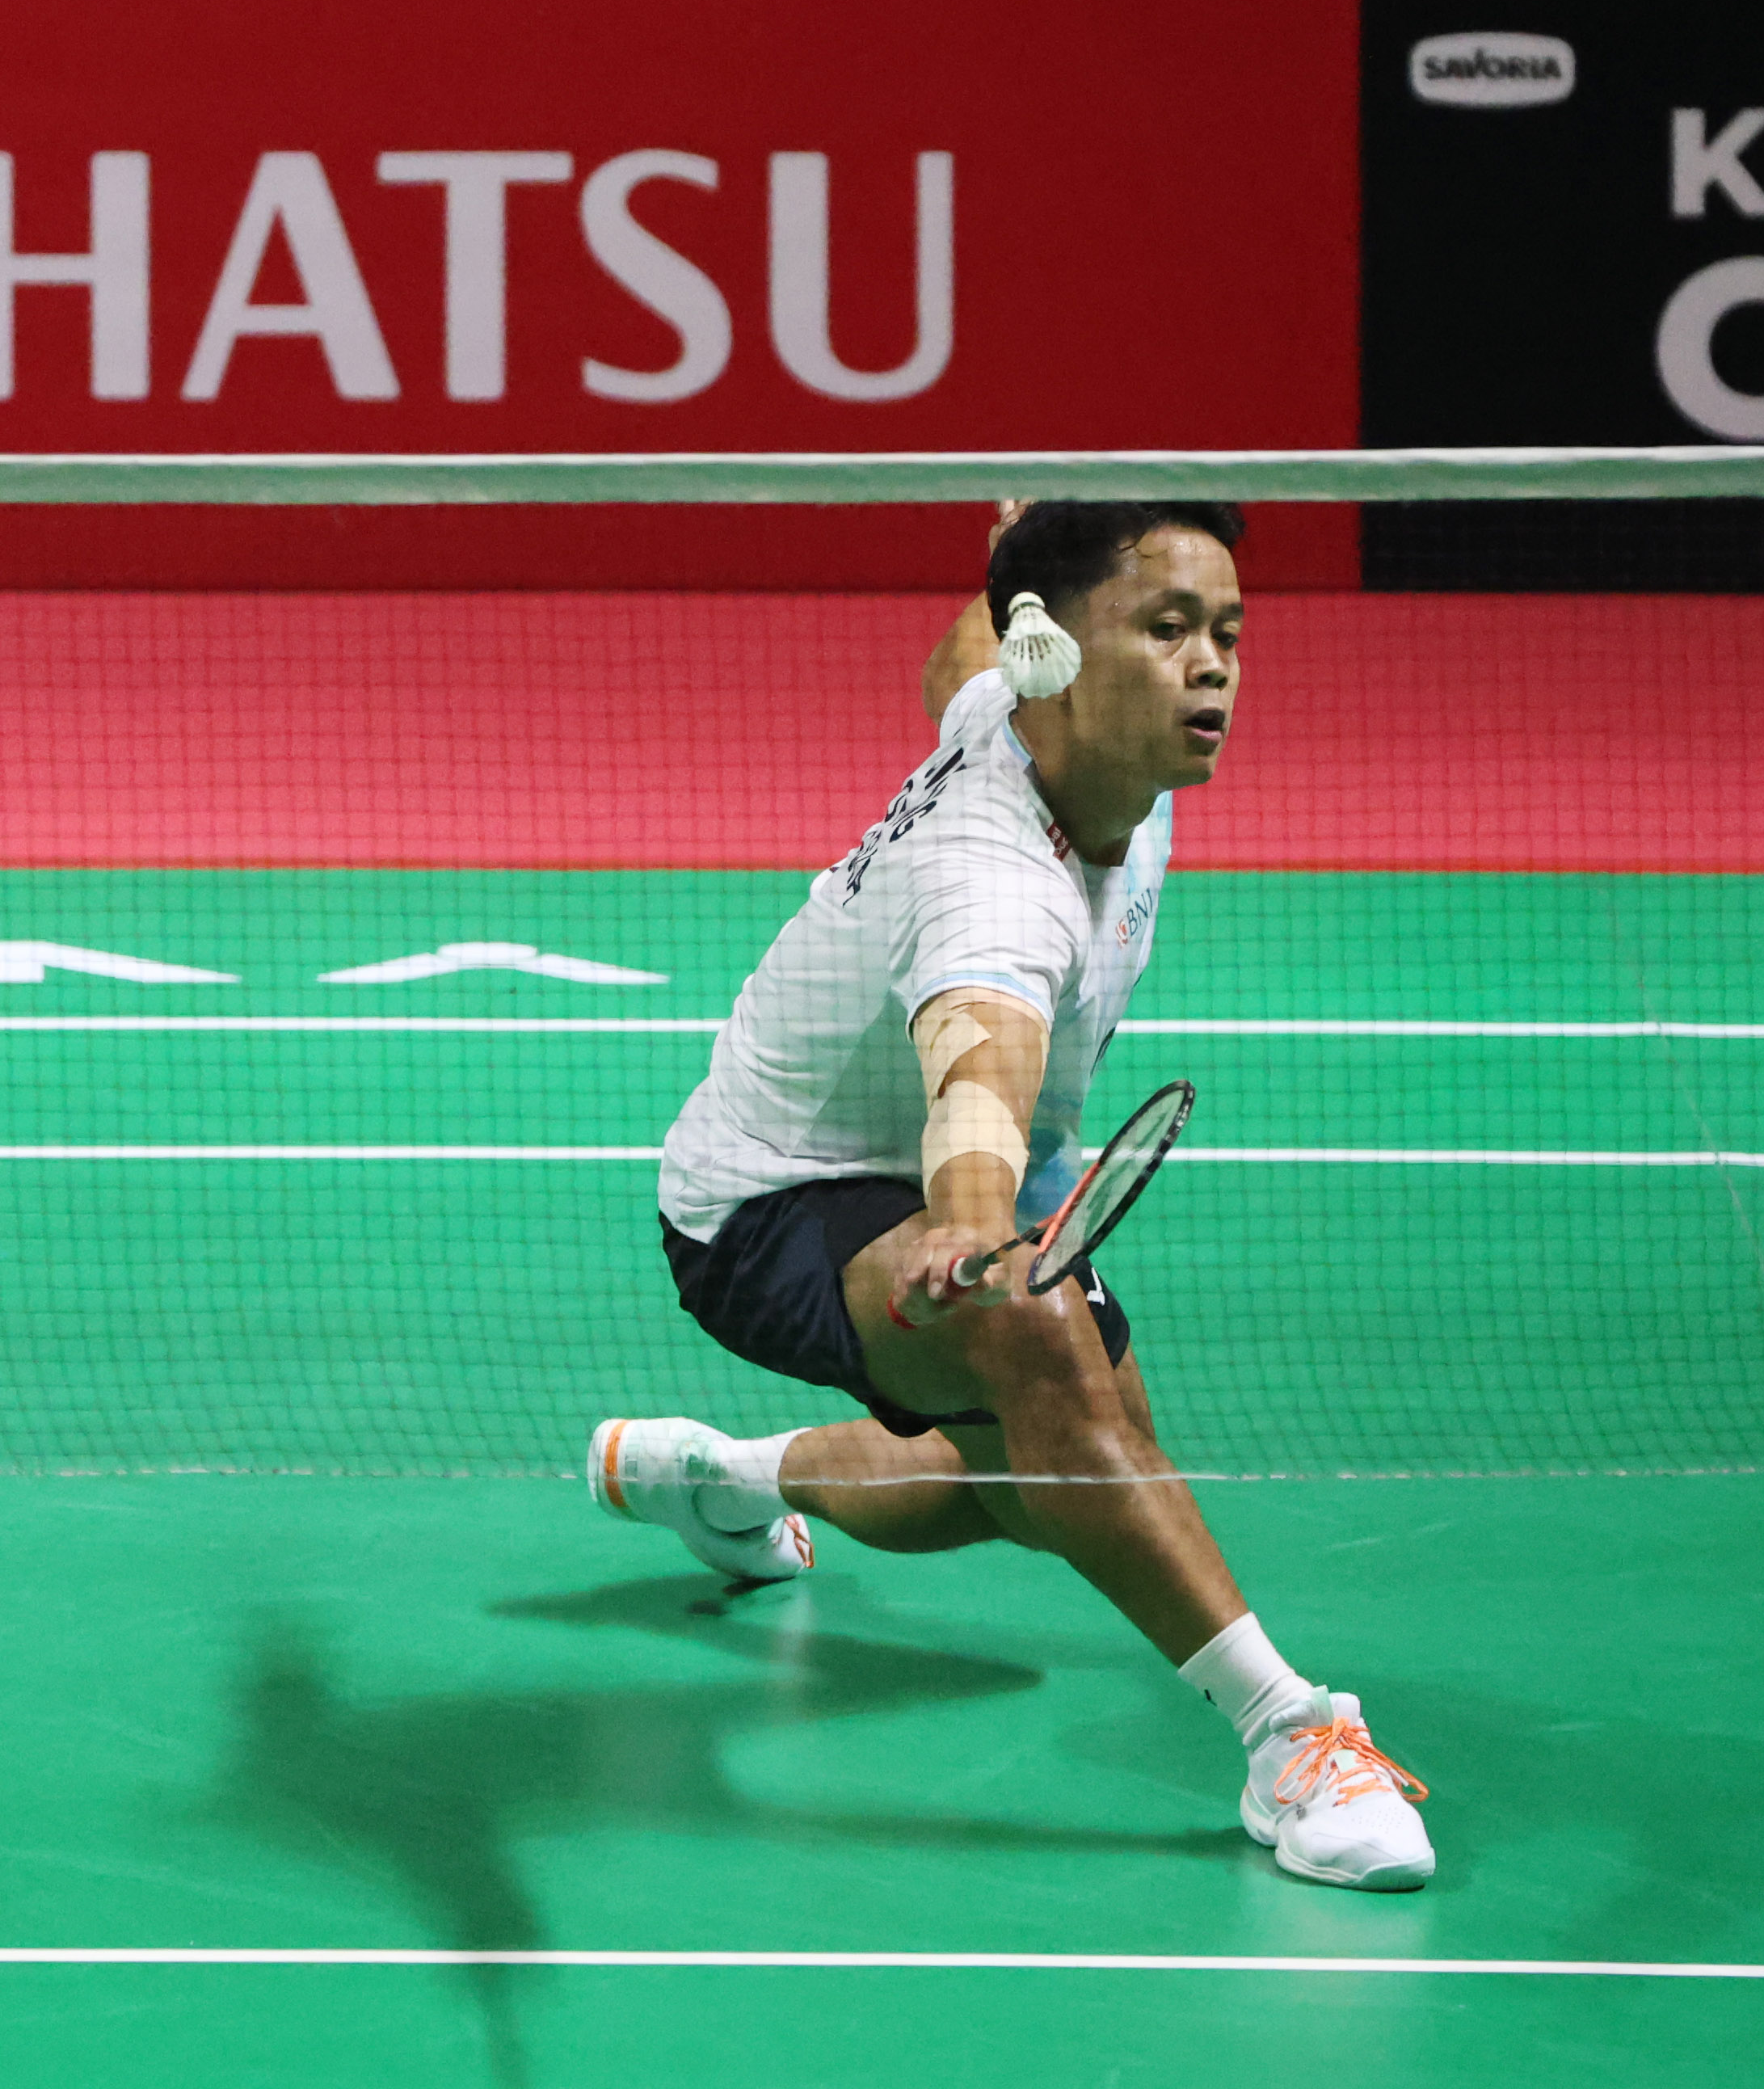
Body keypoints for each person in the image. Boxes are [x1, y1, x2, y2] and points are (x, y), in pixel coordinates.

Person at [587, 501, 1436, 1892]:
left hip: (936, 1169)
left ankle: (728, 1479)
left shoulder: (1048, 723)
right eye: (1168, 630)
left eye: (1227, 632)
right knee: (1041, 1352)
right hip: (771, 1202)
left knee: (1051, 1482)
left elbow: (962, 661)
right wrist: (975, 1221)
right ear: (1065, 658)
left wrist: (1020, 550)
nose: (1213, 666)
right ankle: (1292, 1736)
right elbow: (977, 1069)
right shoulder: (993, 885)